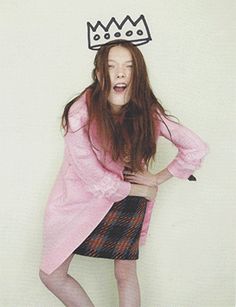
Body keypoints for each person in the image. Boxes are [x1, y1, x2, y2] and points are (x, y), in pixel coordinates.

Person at [39, 39, 209, 307]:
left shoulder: (148, 112)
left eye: (129, 67)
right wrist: (140, 189)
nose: (120, 73)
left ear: (137, 75)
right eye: (111, 66)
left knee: (125, 274)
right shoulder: (80, 113)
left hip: (126, 201)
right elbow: (92, 176)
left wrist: (156, 179)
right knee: (51, 274)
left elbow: (196, 148)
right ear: (98, 74)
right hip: (83, 201)